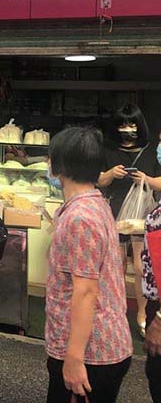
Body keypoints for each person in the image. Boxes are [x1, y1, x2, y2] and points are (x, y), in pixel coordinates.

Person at [45, 127, 132, 403]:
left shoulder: (80, 217)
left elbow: (85, 291)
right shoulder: (95, 203)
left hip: (90, 354)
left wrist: (73, 358)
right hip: (98, 347)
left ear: (57, 165)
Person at [97, 103, 158, 335]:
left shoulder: (152, 151)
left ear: (139, 125)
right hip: (113, 215)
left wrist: (147, 180)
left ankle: (141, 314)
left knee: (143, 268)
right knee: (116, 267)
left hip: (143, 218)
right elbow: (96, 180)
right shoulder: (107, 150)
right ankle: (117, 312)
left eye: (132, 124)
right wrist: (110, 174)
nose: (127, 129)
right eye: (122, 124)